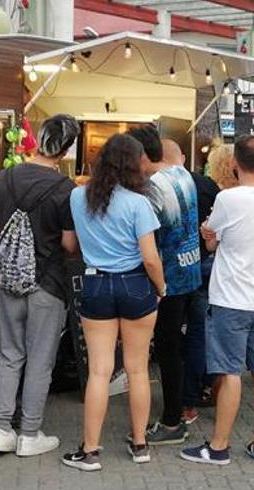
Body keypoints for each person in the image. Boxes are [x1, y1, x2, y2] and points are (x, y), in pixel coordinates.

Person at [61, 134, 166, 472]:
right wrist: (161, 287)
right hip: (136, 285)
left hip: (95, 283)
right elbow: (150, 258)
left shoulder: (78, 197)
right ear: (135, 164)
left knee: (98, 371)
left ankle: (90, 451)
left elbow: (69, 244)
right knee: (137, 369)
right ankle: (140, 444)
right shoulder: (139, 203)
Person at [180, 135, 254, 465]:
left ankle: (219, 446)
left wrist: (211, 235)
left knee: (230, 370)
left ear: (234, 163)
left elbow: (211, 238)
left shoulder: (228, 198)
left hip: (230, 297)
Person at [0, 114, 80, 457]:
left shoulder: (6, 176)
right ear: (67, 149)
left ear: (38, 139)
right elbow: (69, 245)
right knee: (40, 359)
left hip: (10, 279)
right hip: (48, 283)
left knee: (9, 355)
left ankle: (0, 429)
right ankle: (29, 433)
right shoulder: (66, 190)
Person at [127, 125, 202, 445]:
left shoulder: (152, 188)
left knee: (168, 350)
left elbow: (148, 241)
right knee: (179, 349)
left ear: (142, 155)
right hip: (191, 269)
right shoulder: (182, 173)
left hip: (167, 280)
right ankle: (180, 407)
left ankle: (172, 421)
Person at [172, 139, 220, 425]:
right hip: (204, 262)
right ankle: (195, 393)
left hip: (173, 269)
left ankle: (179, 400)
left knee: (171, 335)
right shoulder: (206, 184)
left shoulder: (155, 185)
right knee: (200, 333)